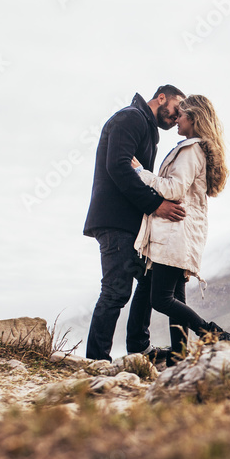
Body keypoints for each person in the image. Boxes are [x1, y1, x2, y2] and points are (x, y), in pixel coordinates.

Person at [83, 86, 189, 361]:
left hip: (133, 223)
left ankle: (139, 348)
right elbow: (118, 166)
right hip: (115, 220)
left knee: (149, 280)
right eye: (178, 107)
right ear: (162, 97)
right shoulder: (129, 118)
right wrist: (156, 205)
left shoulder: (146, 127)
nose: (178, 116)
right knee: (116, 290)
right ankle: (96, 360)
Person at [133, 94, 230, 356]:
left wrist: (141, 173)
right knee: (176, 299)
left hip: (174, 234)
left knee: (160, 299)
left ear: (193, 118)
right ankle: (179, 357)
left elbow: (175, 188)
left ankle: (210, 333)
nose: (175, 120)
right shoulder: (197, 149)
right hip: (183, 234)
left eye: (180, 115)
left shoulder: (191, 149)